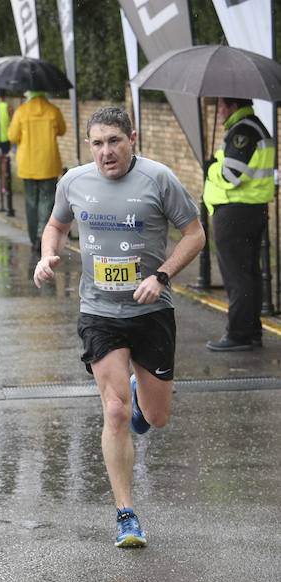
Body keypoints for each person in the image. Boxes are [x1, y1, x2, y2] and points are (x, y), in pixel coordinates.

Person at [34, 107, 205, 548]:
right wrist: (46, 255)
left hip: (152, 311)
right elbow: (56, 224)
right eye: (97, 143)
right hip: (99, 311)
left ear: (133, 138)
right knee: (112, 412)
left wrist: (161, 276)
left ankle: (138, 398)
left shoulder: (159, 179)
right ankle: (126, 515)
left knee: (155, 417)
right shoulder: (73, 181)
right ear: (88, 146)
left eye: (114, 141)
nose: (106, 152)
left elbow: (194, 234)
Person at [203, 97, 274, 352]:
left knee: (237, 276)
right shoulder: (254, 127)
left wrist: (210, 168)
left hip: (235, 212)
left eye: (221, 105)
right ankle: (251, 330)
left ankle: (240, 334)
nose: (219, 110)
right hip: (249, 210)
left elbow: (229, 175)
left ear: (233, 106)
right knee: (249, 274)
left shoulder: (243, 130)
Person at [9, 91, 66, 250]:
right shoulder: (53, 110)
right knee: (47, 201)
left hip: (28, 164)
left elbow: (13, 136)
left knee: (31, 202)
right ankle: (43, 234)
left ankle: (34, 237)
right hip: (49, 162)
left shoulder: (21, 111)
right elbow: (62, 130)